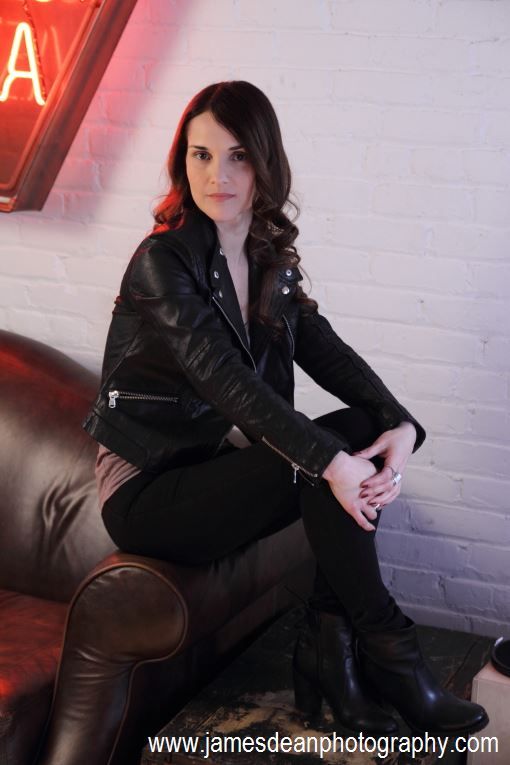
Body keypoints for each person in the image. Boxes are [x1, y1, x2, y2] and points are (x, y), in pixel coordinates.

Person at [83, 81, 488, 737]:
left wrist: (402, 425)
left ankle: (335, 651)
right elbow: (224, 379)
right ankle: (388, 652)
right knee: (326, 460)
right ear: (182, 162)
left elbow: (325, 349)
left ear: (265, 162)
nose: (217, 176)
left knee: (362, 429)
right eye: (200, 155)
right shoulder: (163, 261)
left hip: (214, 469)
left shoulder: (264, 255)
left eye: (238, 156)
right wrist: (331, 461)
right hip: (149, 493)